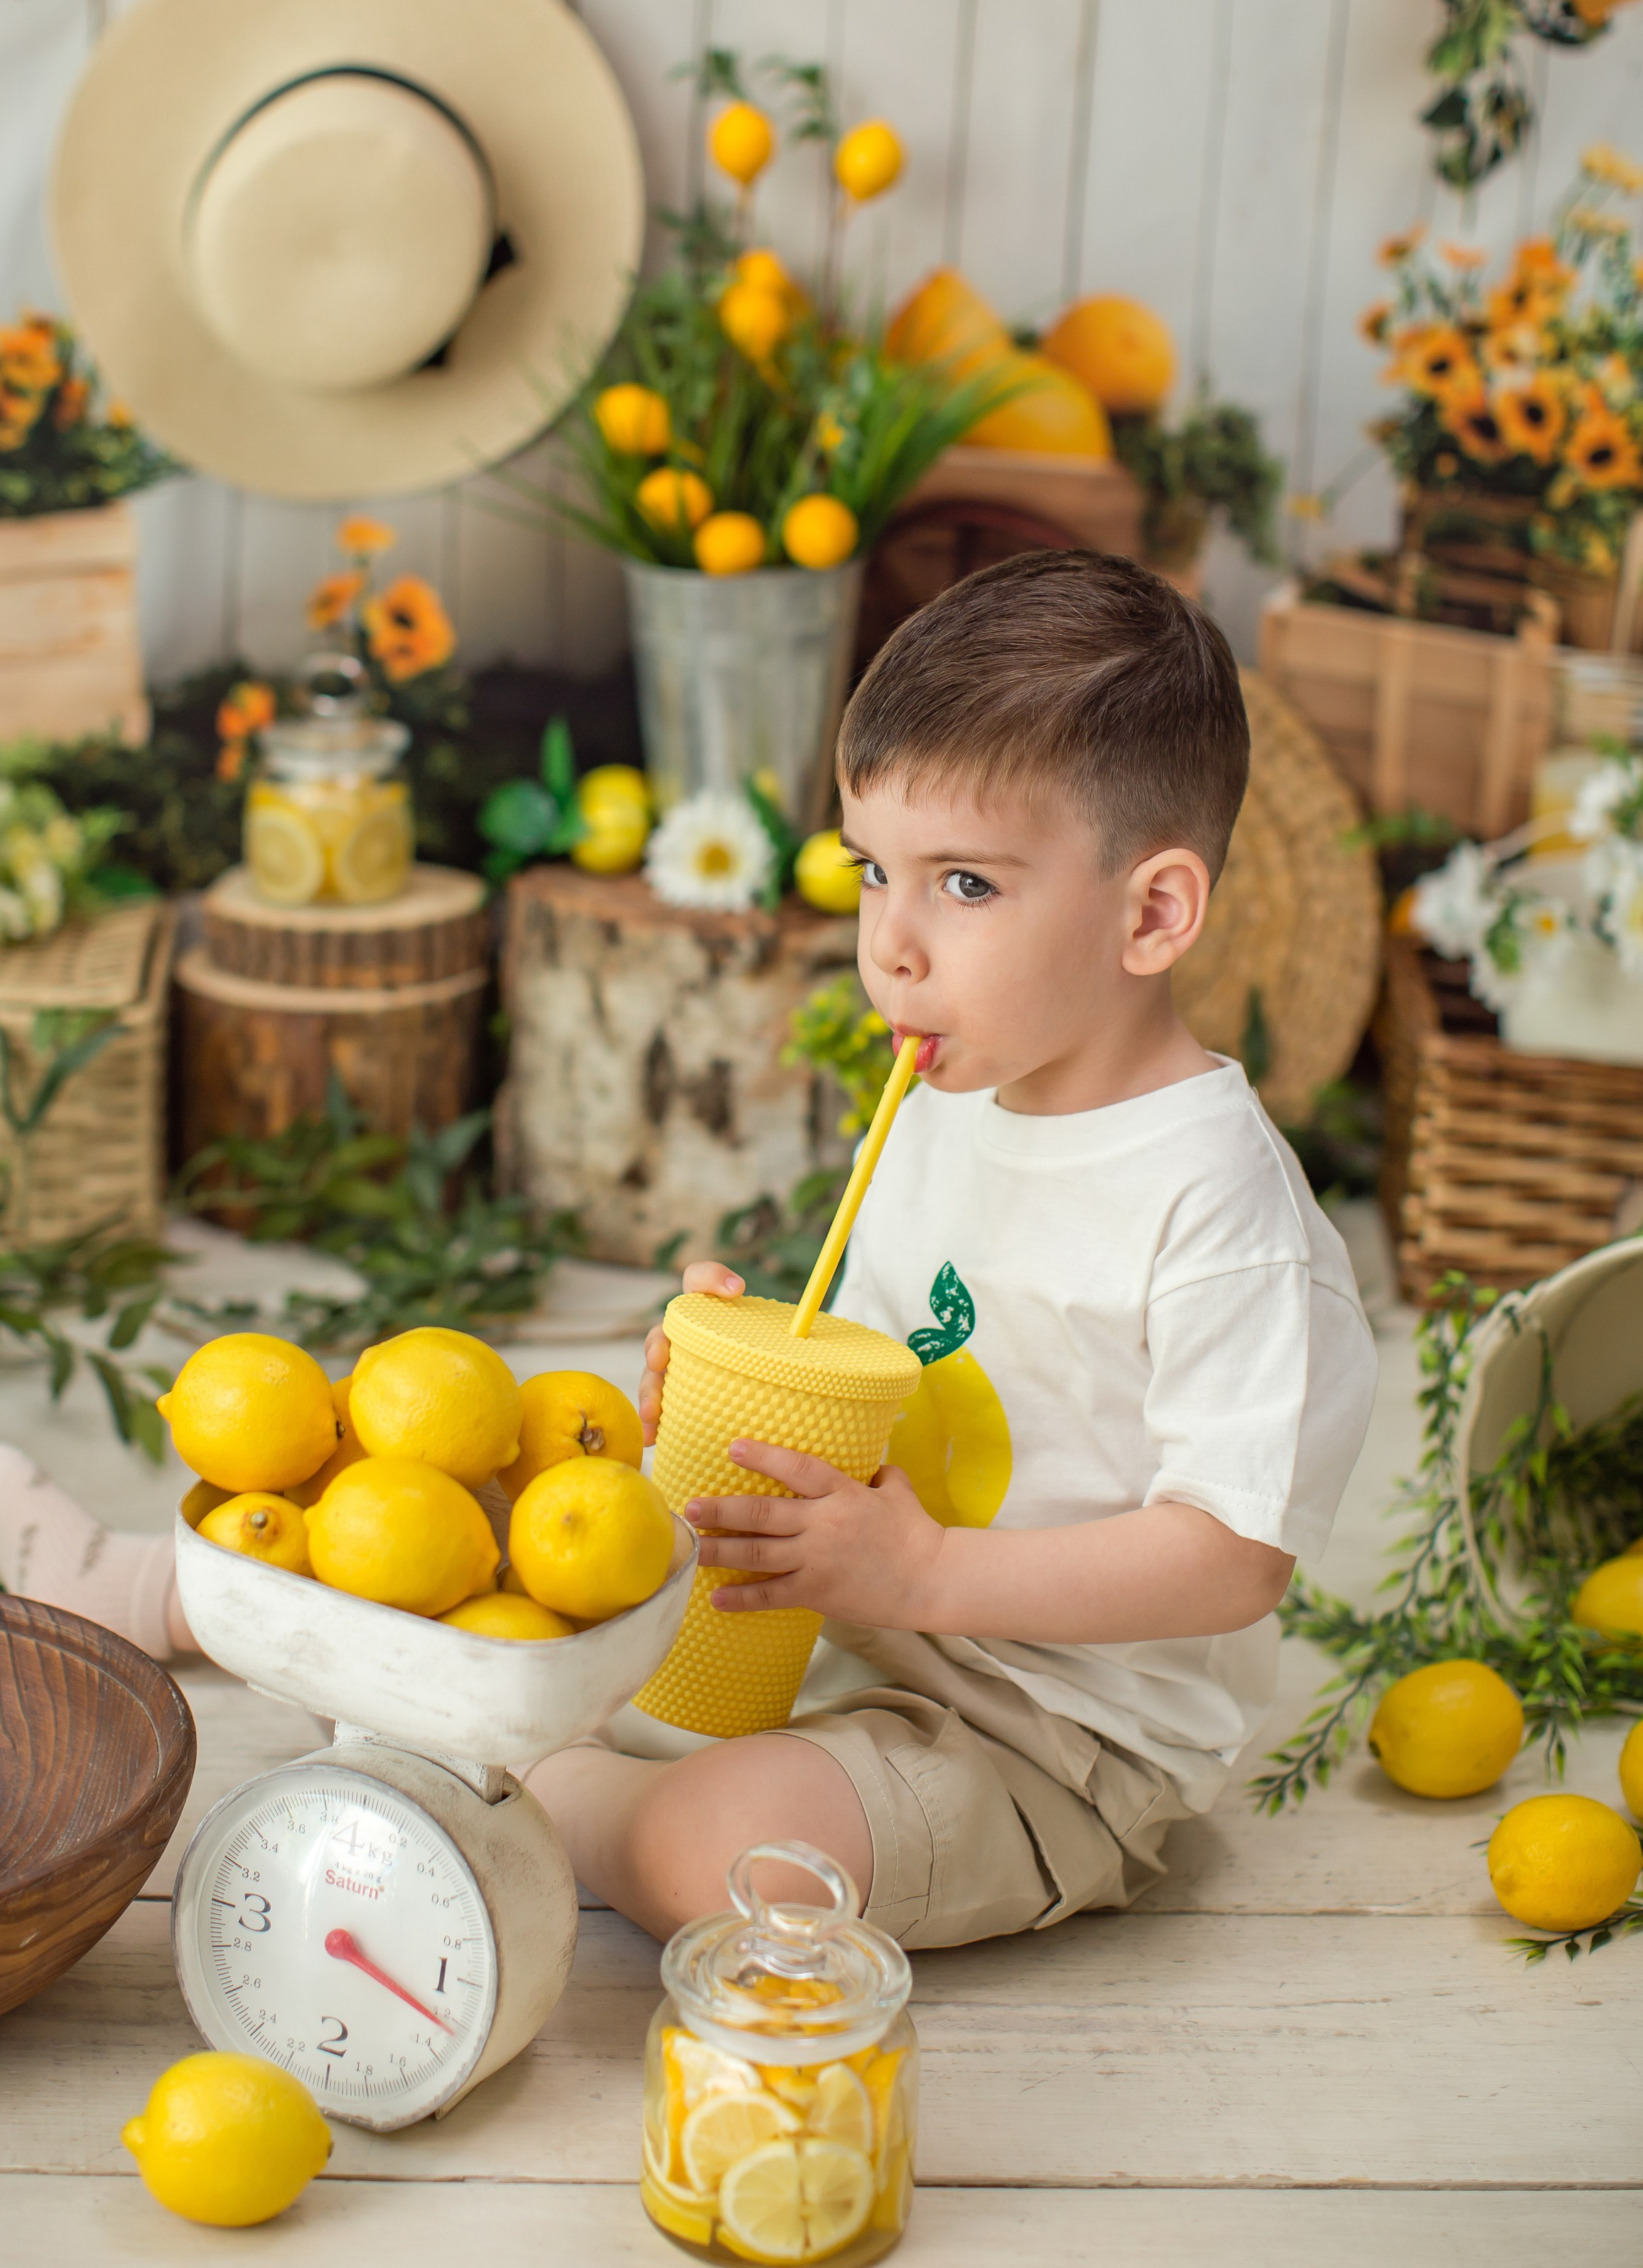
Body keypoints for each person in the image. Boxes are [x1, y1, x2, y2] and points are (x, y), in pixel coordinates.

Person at [526, 549, 1377, 1950]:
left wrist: (918, 1578)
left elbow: (1229, 1556)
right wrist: (748, 1401)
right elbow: (886, 1390)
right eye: (873, 872)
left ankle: (554, 1803)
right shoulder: (947, 1092)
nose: (889, 946)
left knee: (722, 1854)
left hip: (1052, 1734)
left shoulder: (1217, 1212)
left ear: (1150, 913)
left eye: (964, 884)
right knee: (517, 1550)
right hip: (848, 1629)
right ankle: (190, 1601)